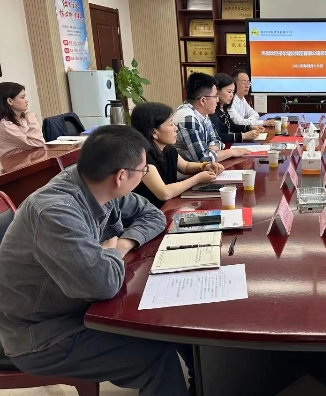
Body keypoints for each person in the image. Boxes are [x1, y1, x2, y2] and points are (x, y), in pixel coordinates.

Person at [0, 125, 194, 396]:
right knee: (157, 359)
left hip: (78, 307)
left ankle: (206, 382)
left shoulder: (96, 183)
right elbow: (103, 285)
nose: (145, 174)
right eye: (143, 170)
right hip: (43, 334)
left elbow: (154, 215)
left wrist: (121, 244)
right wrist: (109, 255)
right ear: (121, 176)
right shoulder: (55, 212)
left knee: (176, 322)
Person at [131, 102, 225, 208]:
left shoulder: (168, 149)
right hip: (150, 211)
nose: (176, 128)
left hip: (169, 206)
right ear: (154, 133)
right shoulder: (142, 158)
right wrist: (197, 179)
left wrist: (205, 166)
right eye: (171, 124)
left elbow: (185, 166)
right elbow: (164, 193)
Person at [174, 72, 249, 163]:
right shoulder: (188, 118)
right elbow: (204, 158)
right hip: (190, 171)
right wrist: (231, 152)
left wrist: (211, 151)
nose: (217, 100)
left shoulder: (202, 113)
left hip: (206, 168)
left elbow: (217, 139)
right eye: (215, 96)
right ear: (203, 100)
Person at [210, 73, 262, 143]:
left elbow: (231, 126)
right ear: (217, 91)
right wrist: (243, 136)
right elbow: (217, 136)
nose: (231, 95)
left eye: (233, 92)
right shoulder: (212, 111)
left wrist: (249, 127)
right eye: (229, 92)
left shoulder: (223, 107)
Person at [0, 82, 45, 156]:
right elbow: (38, 143)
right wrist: (31, 118)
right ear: (10, 101)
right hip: (15, 162)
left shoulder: (22, 118)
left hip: (30, 158)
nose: (26, 101)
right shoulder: (5, 125)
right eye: (22, 97)